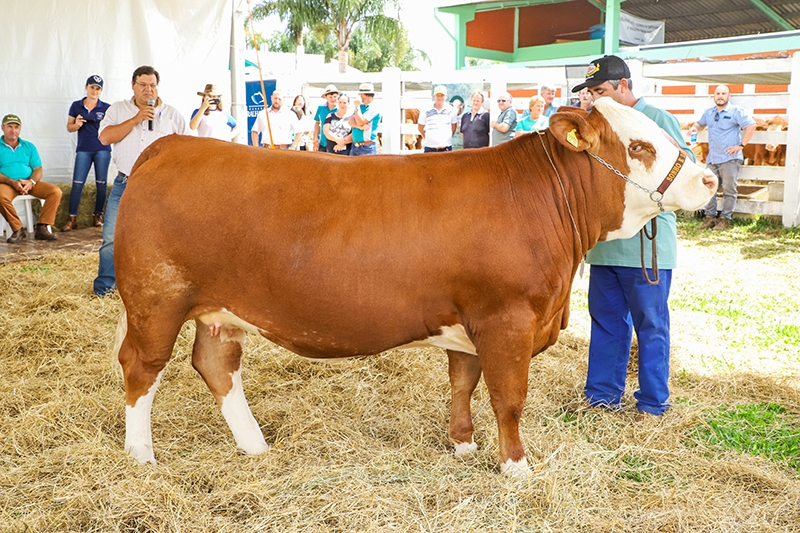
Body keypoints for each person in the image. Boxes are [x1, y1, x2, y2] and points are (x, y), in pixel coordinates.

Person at [569, 55, 696, 421]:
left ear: (624, 85)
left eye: (602, 91)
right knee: (606, 321)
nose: (596, 99)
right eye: (591, 93)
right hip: (606, 243)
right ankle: (601, 396)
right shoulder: (598, 127)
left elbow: (683, 170)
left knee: (651, 325)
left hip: (647, 247)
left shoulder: (657, 120)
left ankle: (653, 404)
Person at [93, 65, 186, 297]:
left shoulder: (172, 115)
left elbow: (187, 150)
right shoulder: (118, 109)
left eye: (152, 85)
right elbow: (105, 137)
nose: (148, 90)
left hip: (161, 188)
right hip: (126, 183)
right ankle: (106, 289)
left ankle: (156, 287)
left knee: (162, 238)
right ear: (133, 85)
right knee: (111, 238)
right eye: (143, 85)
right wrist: (136, 119)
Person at [692, 85, 756, 231]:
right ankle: (710, 218)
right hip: (713, 158)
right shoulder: (709, 113)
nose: (720, 96)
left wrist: (741, 145)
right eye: (718, 93)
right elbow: (699, 123)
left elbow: (751, 125)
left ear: (729, 96)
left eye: (723, 93)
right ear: (714, 96)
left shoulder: (736, 111)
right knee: (708, 187)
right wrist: (695, 128)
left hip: (730, 158)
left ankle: (725, 219)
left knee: (729, 189)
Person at [0, 114, 62, 243]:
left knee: (55, 191)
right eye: (9, 126)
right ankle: (18, 229)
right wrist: (11, 181)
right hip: (7, 183)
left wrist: (31, 182)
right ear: (3, 128)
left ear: (20, 129)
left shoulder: (29, 146)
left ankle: (42, 227)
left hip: (29, 182)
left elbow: (37, 169)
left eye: (16, 127)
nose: (13, 130)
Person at [63, 74, 110, 232]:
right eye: (92, 87)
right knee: (77, 184)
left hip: (102, 149)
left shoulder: (106, 108)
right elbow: (69, 127)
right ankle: (72, 218)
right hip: (84, 148)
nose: (94, 91)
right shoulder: (76, 105)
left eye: (98, 88)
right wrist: (76, 124)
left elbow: (113, 128)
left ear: (101, 90)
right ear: (86, 87)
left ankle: (98, 216)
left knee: (101, 184)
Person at [418, 85, 458, 153]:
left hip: (446, 148)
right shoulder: (426, 110)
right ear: (434, 96)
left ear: (446, 96)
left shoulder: (451, 110)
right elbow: (420, 127)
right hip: (429, 148)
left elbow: (454, 126)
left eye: (442, 95)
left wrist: (447, 138)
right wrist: (428, 137)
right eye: (437, 95)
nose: (439, 98)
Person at [349, 83, 381, 156]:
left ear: (362, 95)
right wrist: (359, 127)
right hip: (356, 146)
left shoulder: (374, 108)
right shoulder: (361, 107)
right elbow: (350, 120)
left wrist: (357, 107)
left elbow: (360, 121)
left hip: (367, 147)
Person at [314, 84, 339, 152]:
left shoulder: (340, 109)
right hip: (323, 143)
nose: (333, 99)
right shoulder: (321, 108)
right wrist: (316, 137)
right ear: (326, 97)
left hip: (336, 144)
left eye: (335, 97)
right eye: (330, 97)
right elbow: (317, 123)